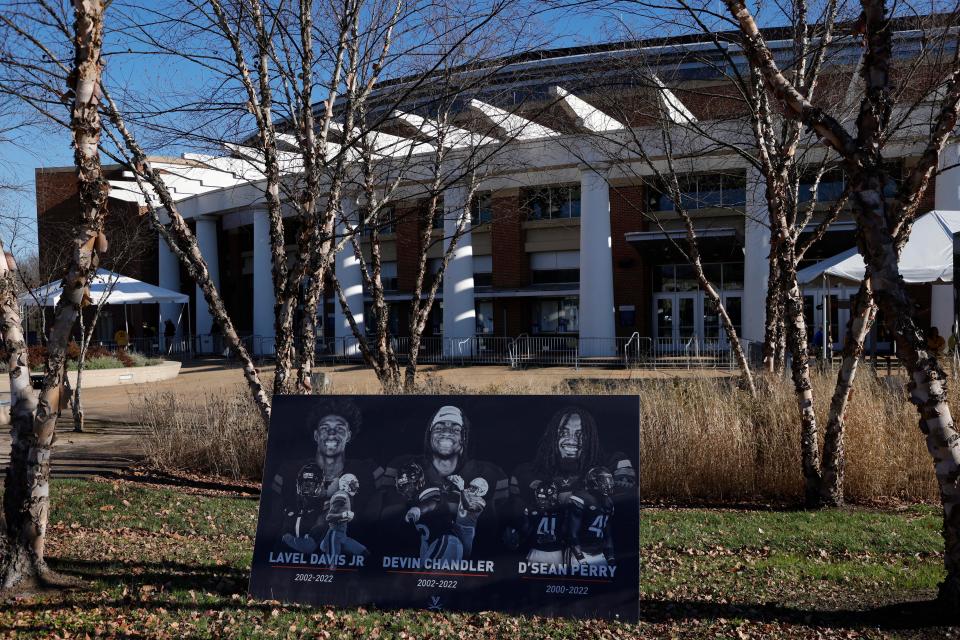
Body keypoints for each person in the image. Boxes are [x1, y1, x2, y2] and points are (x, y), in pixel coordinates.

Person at [380, 405, 508, 558]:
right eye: (439, 428)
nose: (447, 432)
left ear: (464, 438)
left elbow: (493, 532)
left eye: (455, 429)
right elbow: (387, 522)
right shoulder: (404, 465)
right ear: (429, 436)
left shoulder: (488, 473)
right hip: (412, 561)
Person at [271, 398, 383, 558]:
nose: (332, 432)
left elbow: (377, 517)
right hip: (290, 559)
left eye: (339, 428)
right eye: (325, 428)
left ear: (349, 435)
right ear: (316, 435)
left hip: (349, 563)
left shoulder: (369, 470)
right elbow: (272, 518)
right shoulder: (289, 470)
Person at [510, 405, 635, 506]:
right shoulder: (526, 472)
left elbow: (626, 501)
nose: (571, 440)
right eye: (564, 433)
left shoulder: (614, 462)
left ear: (591, 438)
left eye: (580, 434)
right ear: (552, 437)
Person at [566, 466, 616, 570]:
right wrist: (580, 557)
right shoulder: (581, 498)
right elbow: (571, 532)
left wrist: (610, 557)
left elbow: (607, 533)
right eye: (603, 480)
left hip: (599, 553)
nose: (607, 484)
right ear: (593, 482)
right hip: (580, 552)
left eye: (609, 480)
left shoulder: (608, 502)